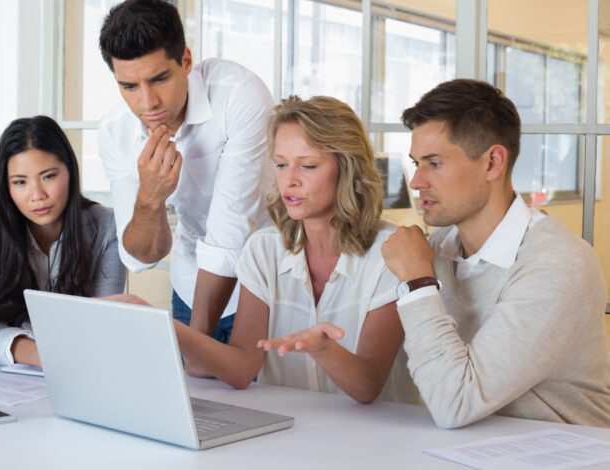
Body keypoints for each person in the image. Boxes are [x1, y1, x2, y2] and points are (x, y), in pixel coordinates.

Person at [114, 96, 418, 403]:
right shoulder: (264, 249)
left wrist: (324, 348)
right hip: (289, 433)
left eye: (308, 165)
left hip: (376, 441)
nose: (290, 181)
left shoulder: (392, 253)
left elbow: (368, 385)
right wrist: (156, 319)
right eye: (282, 165)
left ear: (347, 168)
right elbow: (243, 366)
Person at [381, 79, 610, 428]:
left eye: (435, 163)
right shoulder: (440, 243)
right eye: (416, 164)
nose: (416, 182)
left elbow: (455, 403)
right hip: (467, 450)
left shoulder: (559, 264)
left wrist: (417, 282)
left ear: (492, 163)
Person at [97, 0, 273, 344]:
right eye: (129, 87)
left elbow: (229, 233)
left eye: (159, 78)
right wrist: (150, 198)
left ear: (186, 62)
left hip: (264, 285)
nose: (147, 103)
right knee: (192, 396)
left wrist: (198, 344)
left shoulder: (240, 95)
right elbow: (141, 257)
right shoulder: (115, 130)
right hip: (191, 286)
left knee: (258, 398)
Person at [0, 116, 126, 367]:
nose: (37, 195)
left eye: (48, 176)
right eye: (20, 182)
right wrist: (44, 356)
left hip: (83, 361)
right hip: (10, 361)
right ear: (6, 186)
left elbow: (103, 322)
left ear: (70, 171)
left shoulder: (107, 227)